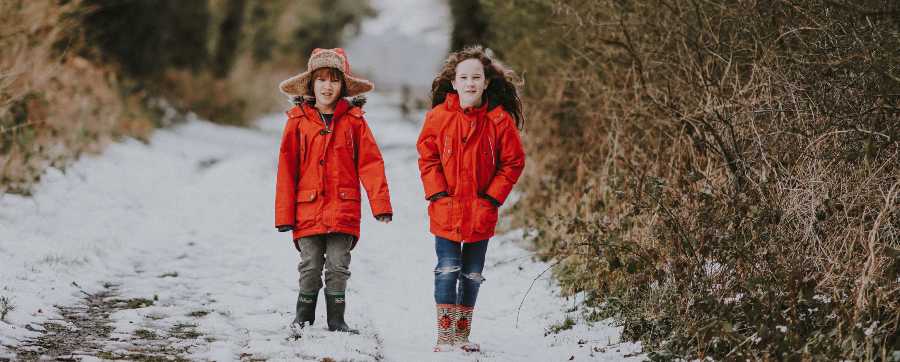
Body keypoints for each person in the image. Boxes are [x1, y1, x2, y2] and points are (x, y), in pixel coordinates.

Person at [275, 48, 392, 334]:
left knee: (339, 266)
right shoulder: (297, 122)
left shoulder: (354, 122)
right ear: (311, 84)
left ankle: (337, 320)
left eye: (334, 80)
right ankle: (303, 317)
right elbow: (286, 169)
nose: (327, 86)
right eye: (322, 80)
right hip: (307, 208)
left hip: (344, 208)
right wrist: (284, 215)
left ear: (343, 86)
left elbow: (371, 164)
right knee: (310, 265)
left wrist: (381, 205)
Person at [416, 45, 526, 352]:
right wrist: (437, 192)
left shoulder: (499, 121)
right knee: (447, 269)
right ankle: (444, 335)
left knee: (472, 274)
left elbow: (513, 162)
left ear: (487, 82)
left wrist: (492, 198)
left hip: (481, 210)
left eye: (476, 77)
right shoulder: (438, 117)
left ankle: (462, 335)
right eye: (463, 77)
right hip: (446, 208)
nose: (470, 83)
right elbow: (427, 157)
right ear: (453, 82)